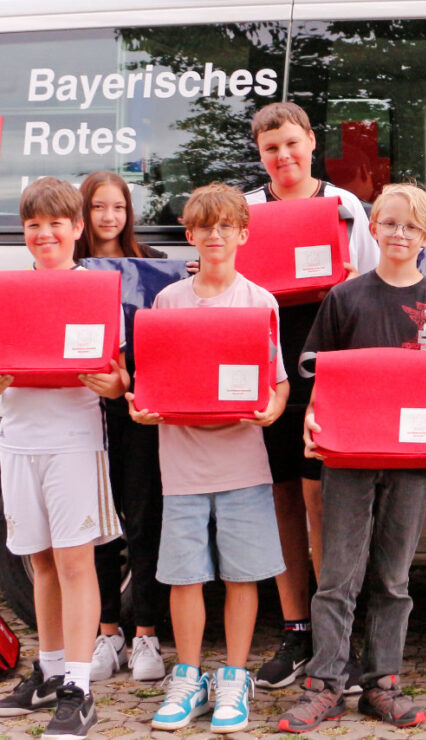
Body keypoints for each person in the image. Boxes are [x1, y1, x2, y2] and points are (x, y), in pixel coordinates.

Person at [276, 183, 426, 732]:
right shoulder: (345, 298)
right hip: (347, 455)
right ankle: (325, 684)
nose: (399, 234)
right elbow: (321, 375)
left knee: (393, 578)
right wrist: (313, 421)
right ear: (372, 228)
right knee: (337, 575)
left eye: (411, 226)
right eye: (389, 223)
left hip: (412, 460)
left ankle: (383, 683)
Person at [129, 183, 289, 733]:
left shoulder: (260, 301)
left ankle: (235, 677)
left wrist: (271, 408)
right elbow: (150, 380)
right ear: (190, 235)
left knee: (243, 575)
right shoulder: (169, 301)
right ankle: (189, 675)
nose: (215, 235)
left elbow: (279, 383)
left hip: (243, 459)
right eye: (205, 227)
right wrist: (142, 407)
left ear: (243, 234)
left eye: (226, 226)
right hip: (182, 463)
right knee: (185, 575)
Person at [245, 102, 379, 691]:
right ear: (259, 153)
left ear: (311, 143)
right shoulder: (246, 209)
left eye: (292, 144)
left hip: (329, 371)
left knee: (324, 502)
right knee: (279, 501)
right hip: (267, 373)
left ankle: (336, 635)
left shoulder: (345, 206)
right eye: (271, 148)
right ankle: (296, 628)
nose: (283, 156)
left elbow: (372, 290)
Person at [0, 177, 126, 739]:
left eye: (56, 223)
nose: (44, 234)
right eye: (33, 225)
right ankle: (49, 671)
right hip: (17, 442)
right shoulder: (8, 291)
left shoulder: (98, 290)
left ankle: (80, 686)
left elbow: (119, 379)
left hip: (75, 443)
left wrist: (111, 382)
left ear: (78, 228)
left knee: (76, 563)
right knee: (41, 563)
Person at [74, 171, 171, 683]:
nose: (109, 217)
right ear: (83, 214)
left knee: (143, 520)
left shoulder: (155, 268)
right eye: (98, 207)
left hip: (136, 411)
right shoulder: (67, 271)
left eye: (118, 207)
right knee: (98, 528)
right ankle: (107, 634)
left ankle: (147, 636)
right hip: (81, 414)